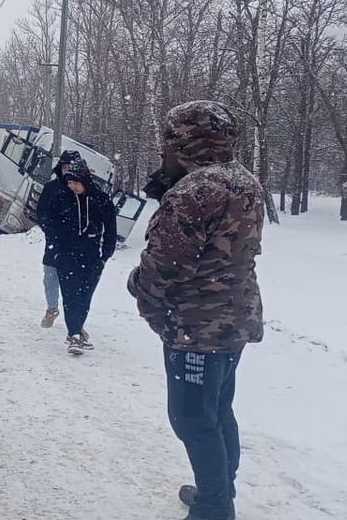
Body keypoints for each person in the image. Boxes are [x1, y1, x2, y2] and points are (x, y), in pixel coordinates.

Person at [127, 101, 265, 520]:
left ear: (183, 138)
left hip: (197, 326)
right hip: (234, 318)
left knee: (191, 418)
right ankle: (220, 489)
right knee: (217, 410)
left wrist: (137, 285)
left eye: (169, 138)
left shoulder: (194, 191)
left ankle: (214, 506)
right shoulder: (244, 180)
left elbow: (167, 266)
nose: (163, 146)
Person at [46, 158, 116, 354]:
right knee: (70, 295)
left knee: (85, 296)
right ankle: (74, 334)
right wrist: (57, 250)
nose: (71, 186)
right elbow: (49, 223)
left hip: (92, 257)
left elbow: (111, 229)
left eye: (75, 182)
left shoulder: (101, 200)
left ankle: (77, 328)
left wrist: (105, 255)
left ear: (84, 180)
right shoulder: (61, 199)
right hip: (66, 256)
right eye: (68, 183)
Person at [35, 150, 85, 328]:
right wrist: (50, 231)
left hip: (77, 244)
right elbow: (41, 212)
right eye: (65, 167)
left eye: (71, 167)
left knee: (74, 283)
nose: (67, 171)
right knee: (50, 277)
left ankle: (76, 321)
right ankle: (52, 309)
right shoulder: (52, 188)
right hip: (54, 242)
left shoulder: (83, 190)